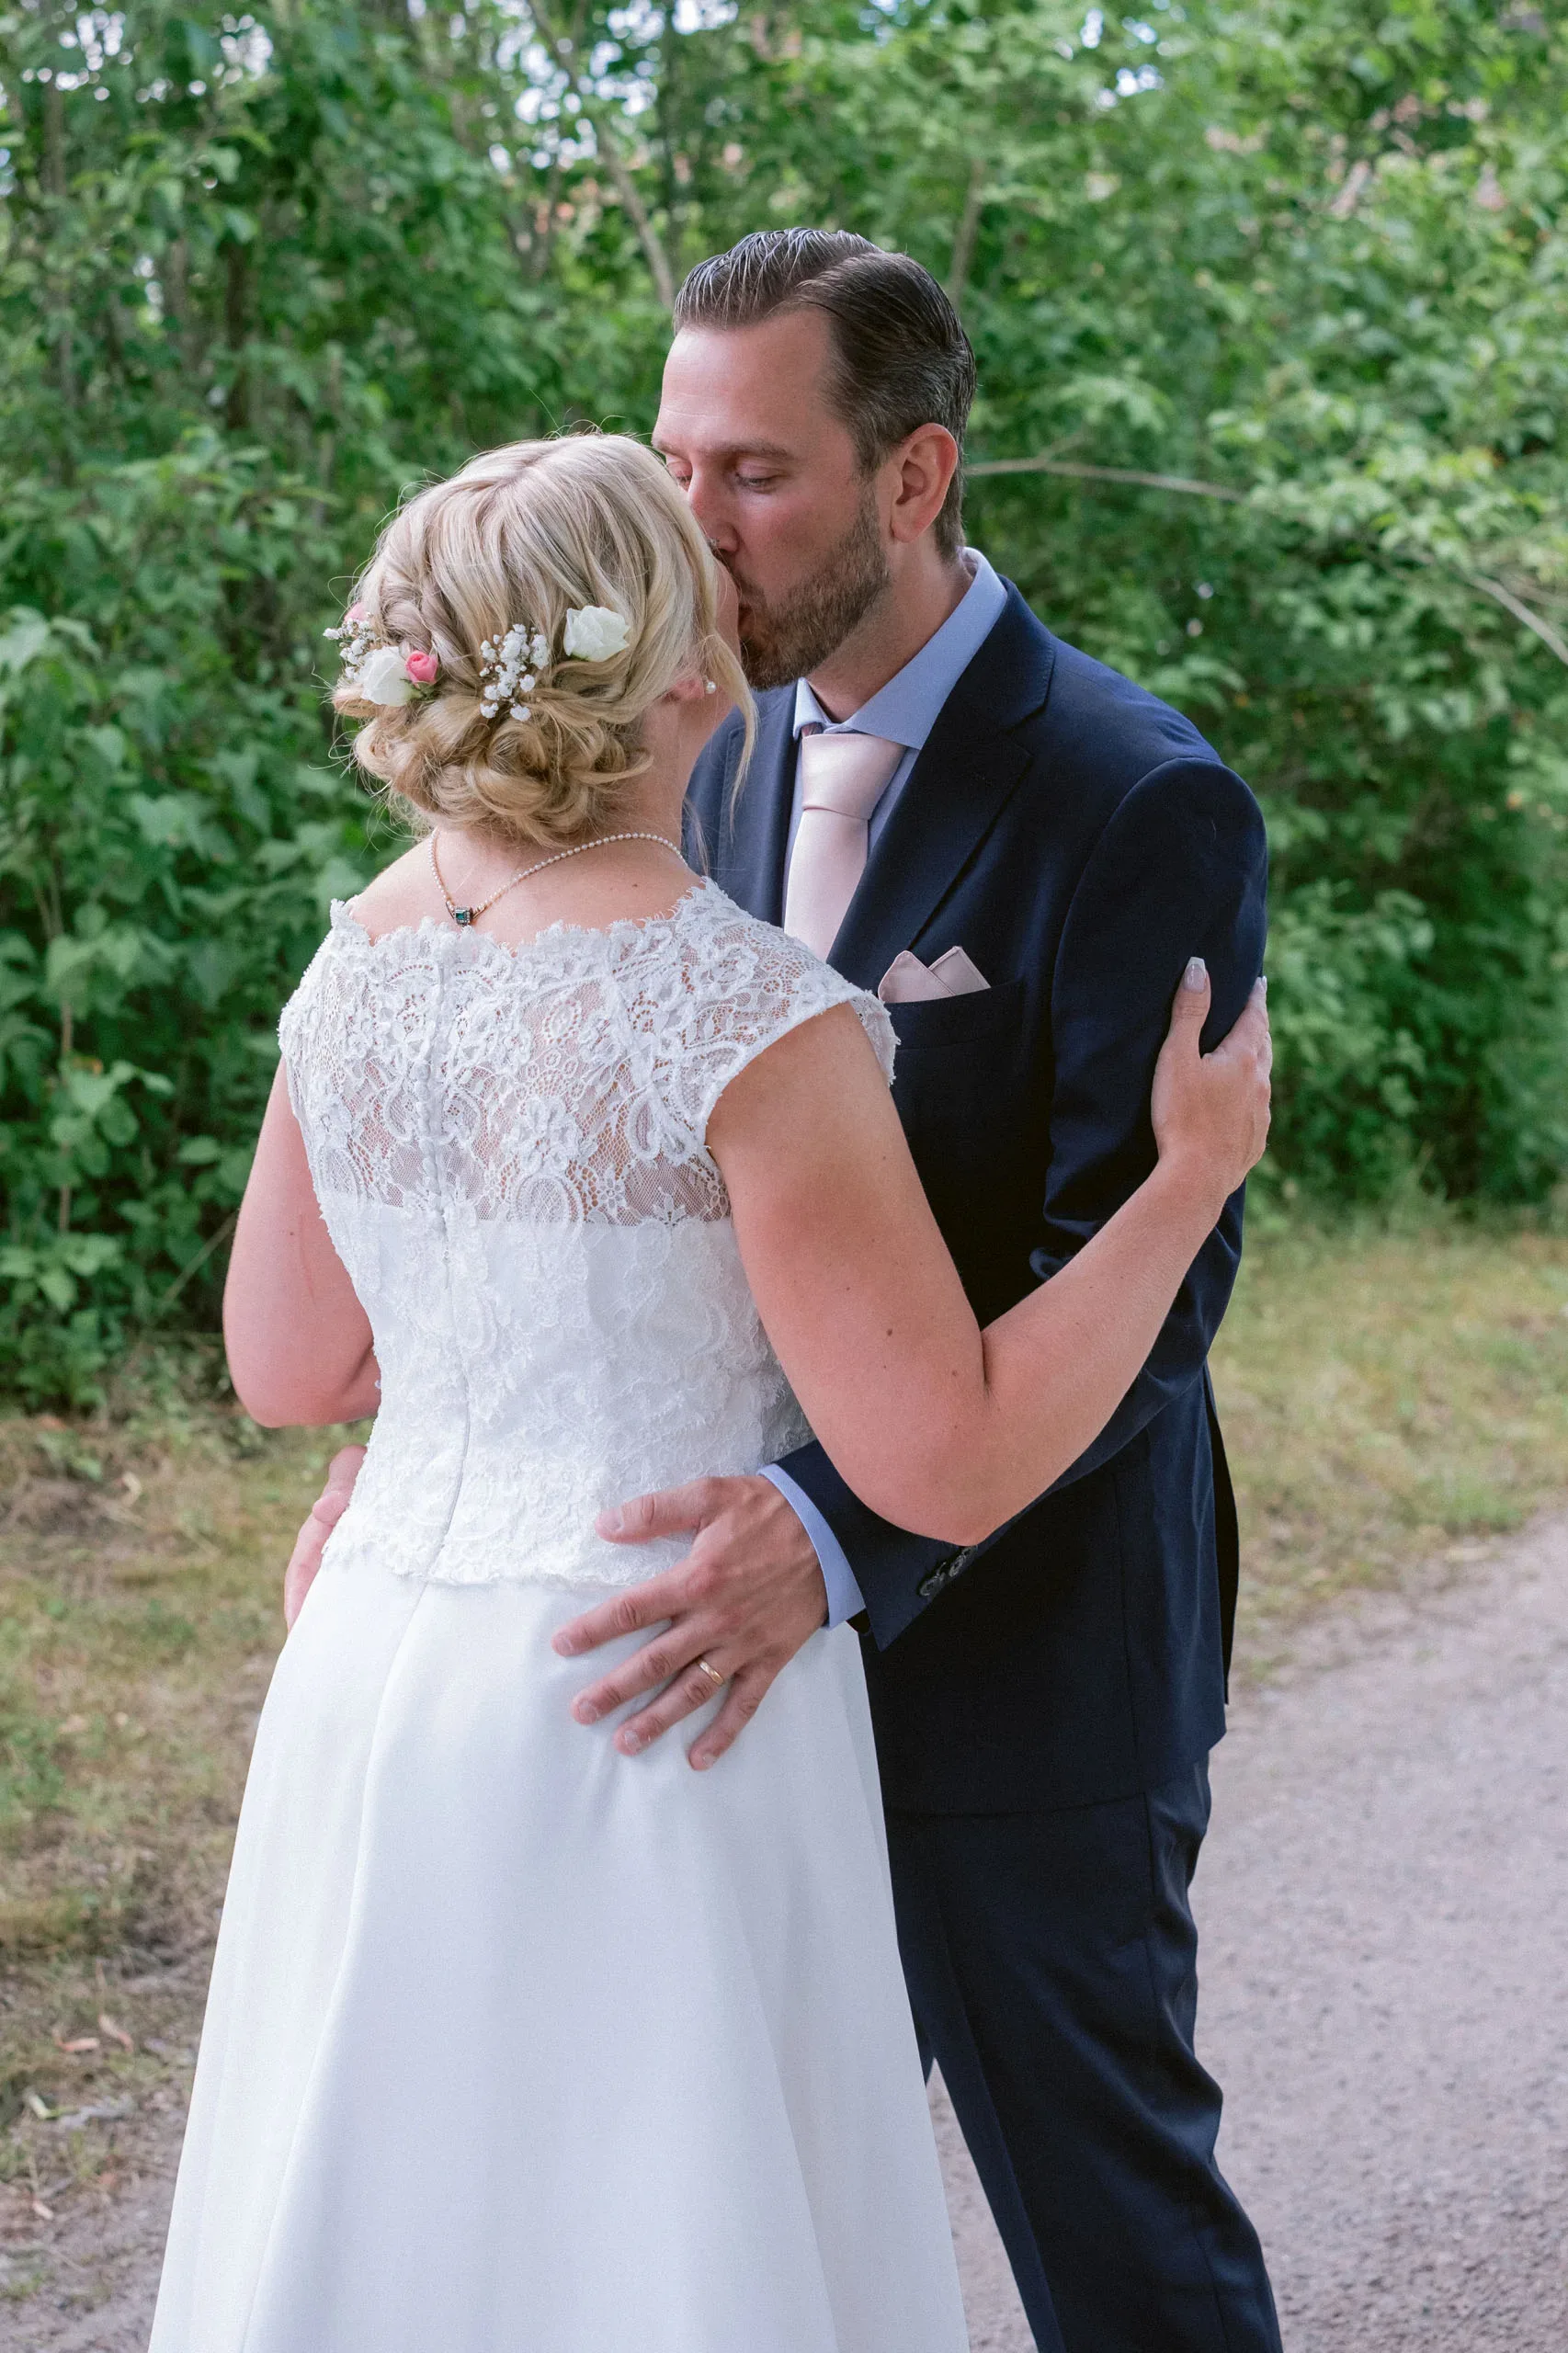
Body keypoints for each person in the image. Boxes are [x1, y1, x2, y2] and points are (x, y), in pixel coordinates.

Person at [151, 427, 1270, 2352]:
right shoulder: (743, 1010)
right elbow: (947, 1452)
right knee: (657, 2239)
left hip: (377, 1684)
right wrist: (1184, 1189)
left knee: (415, 2227)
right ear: (682, 670)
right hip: (648, 1709)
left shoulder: (357, 960)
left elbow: (293, 1366)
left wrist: (469, 1406)